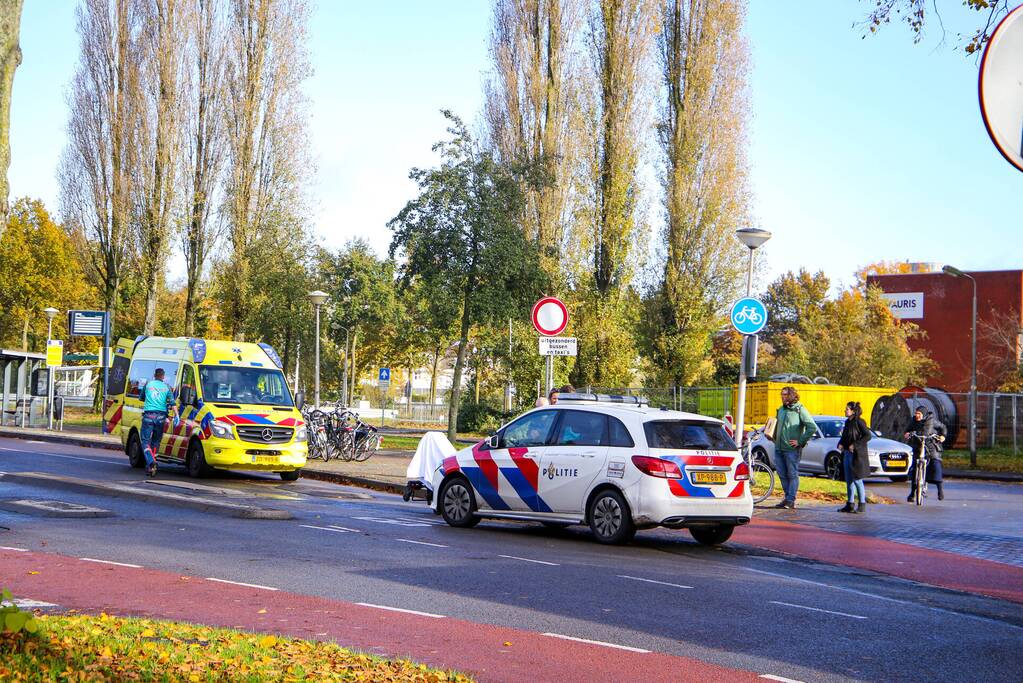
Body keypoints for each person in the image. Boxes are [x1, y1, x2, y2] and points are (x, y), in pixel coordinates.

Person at [767, 386, 816, 509]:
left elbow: (812, 427)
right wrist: (771, 434)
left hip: (792, 450)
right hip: (778, 448)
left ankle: (790, 500)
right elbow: (777, 425)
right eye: (782, 394)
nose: (783, 397)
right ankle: (787, 497)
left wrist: (800, 441)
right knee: (782, 474)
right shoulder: (781, 410)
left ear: (792, 395)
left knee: (792, 474)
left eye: (785, 395)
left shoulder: (800, 409)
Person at [904, 406, 946, 501]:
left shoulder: (932, 420)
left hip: (931, 447)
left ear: (923, 414)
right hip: (918, 447)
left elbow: (943, 427)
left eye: (919, 413)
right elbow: (907, 430)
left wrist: (943, 436)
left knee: (935, 465)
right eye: (916, 413)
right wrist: (907, 434)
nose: (917, 415)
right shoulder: (913, 421)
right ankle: (912, 494)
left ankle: (940, 491)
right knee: (915, 468)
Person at [140, 367, 175, 477]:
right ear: (163, 376)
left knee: (145, 441)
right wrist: (176, 415)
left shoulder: (148, 384)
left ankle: (151, 461)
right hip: (161, 417)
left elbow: (141, 398)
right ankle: (153, 464)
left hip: (148, 416)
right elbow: (172, 402)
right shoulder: (167, 387)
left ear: (154, 375)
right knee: (156, 441)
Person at [837, 401, 871, 514]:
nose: (845, 410)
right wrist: (841, 443)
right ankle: (850, 504)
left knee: (857, 479)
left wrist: (855, 445)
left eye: (847, 409)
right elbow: (845, 436)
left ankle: (862, 505)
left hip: (856, 455)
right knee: (849, 480)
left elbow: (868, 436)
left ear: (853, 411)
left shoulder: (859, 422)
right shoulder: (847, 422)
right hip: (846, 453)